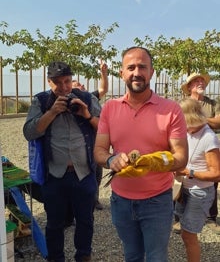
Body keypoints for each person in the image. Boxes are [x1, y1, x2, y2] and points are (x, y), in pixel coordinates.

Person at [94, 46, 188, 262]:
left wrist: (155, 161)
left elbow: (181, 157)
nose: (137, 72)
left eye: (142, 67)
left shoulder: (171, 109)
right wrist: (111, 159)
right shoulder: (110, 108)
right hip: (121, 201)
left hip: (157, 201)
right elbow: (99, 151)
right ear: (122, 73)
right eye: (131, 67)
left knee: (156, 256)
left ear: (151, 72)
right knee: (132, 255)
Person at [23, 61, 101, 262]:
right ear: (49, 82)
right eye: (58, 83)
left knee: (85, 220)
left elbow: (105, 130)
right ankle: (56, 258)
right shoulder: (40, 101)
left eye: (67, 81)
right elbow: (29, 133)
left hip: (84, 173)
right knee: (54, 223)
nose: (65, 87)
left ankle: (83, 256)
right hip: (54, 175)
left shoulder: (86, 98)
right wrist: (52, 112)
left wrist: (87, 115)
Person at [173, 72, 220, 235]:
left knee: (190, 234)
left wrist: (189, 172)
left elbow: (216, 174)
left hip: (199, 189)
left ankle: (209, 218)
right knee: (186, 230)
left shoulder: (208, 136)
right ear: (189, 87)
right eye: (196, 81)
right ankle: (183, 221)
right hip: (186, 185)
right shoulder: (187, 127)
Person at [72, 60, 108, 210]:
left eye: (80, 84)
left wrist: (103, 72)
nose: (81, 86)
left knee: (96, 173)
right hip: (78, 146)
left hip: (93, 143)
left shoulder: (89, 97)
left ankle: (94, 199)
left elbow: (103, 89)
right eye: (77, 85)